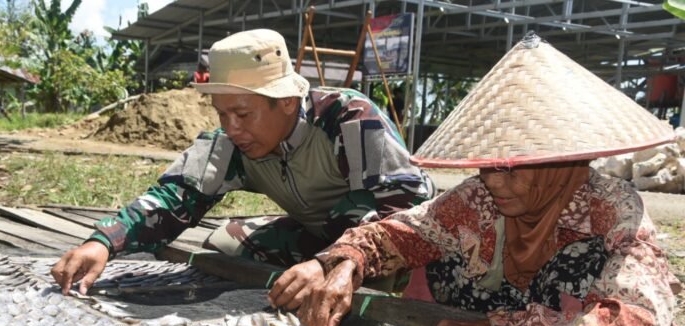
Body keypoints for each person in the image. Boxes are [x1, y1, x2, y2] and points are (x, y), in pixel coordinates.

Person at [270, 33, 685, 326]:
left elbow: (643, 315)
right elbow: (407, 232)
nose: (492, 181)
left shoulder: (612, 208)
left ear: (557, 162)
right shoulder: (480, 197)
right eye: (488, 167)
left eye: (511, 169)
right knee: (441, 254)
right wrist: (344, 262)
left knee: (575, 264)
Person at [52, 29, 435, 295]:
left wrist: (332, 263)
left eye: (242, 114)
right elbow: (174, 195)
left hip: (389, 242)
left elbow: (404, 209)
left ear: (285, 102)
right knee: (226, 243)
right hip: (321, 235)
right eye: (222, 115)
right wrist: (104, 242)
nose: (231, 128)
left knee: (357, 219)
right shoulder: (232, 143)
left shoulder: (348, 118)